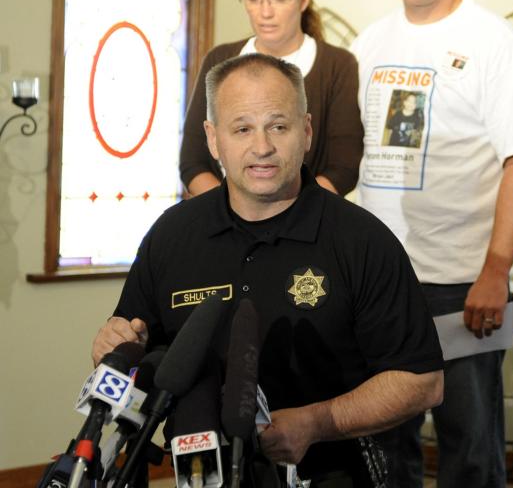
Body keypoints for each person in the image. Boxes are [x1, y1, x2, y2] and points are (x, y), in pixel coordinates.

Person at [92, 54, 443, 487]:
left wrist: (317, 422)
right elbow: (138, 353)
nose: (262, 147)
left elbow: (421, 381)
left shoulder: (362, 241)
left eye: (279, 126)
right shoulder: (172, 234)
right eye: (242, 129)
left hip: (332, 473)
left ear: (307, 131)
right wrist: (115, 346)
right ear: (213, 139)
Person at [351, 0, 513, 487]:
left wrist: (495, 270)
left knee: (469, 440)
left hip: (463, 284)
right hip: (382, 283)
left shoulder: (494, 41)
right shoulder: (368, 44)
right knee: (385, 439)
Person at [180, 0, 363, 196]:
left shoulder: (336, 66)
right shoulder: (220, 59)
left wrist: (289, 218)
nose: (265, 12)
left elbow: (343, 168)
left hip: (306, 225)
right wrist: (229, 215)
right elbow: (192, 162)